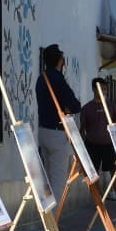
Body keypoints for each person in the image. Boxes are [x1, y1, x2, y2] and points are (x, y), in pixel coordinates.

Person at [36, 44, 80, 194]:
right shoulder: (58, 79)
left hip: (42, 131)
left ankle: (48, 216)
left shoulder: (40, 79)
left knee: (48, 179)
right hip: (57, 133)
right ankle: (54, 217)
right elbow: (75, 105)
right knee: (58, 182)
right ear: (61, 60)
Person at [78, 78, 116, 201]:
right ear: (93, 89)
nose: (103, 91)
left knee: (114, 171)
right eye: (100, 89)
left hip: (109, 144)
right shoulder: (87, 108)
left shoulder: (111, 106)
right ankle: (98, 199)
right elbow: (82, 128)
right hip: (92, 145)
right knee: (93, 173)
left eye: (105, 89)